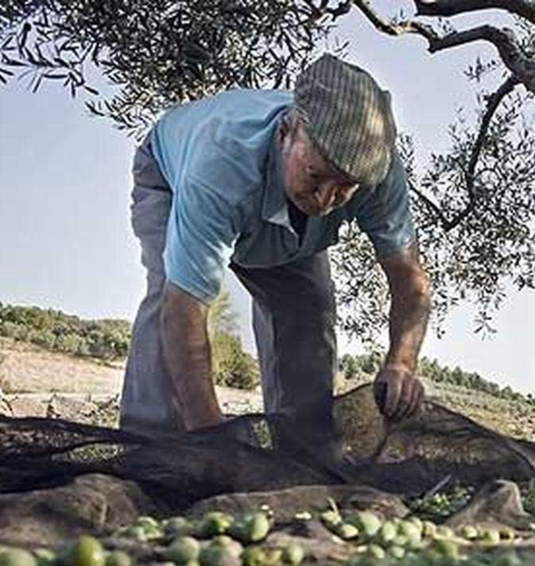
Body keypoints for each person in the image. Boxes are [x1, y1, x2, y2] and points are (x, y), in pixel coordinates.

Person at [120, 54, 430, 465]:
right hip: (171, 179)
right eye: (316, 175)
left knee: (310, 308)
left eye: (345, 188)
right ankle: (153, 454)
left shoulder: (377, 174)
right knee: (167, 293)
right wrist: (216, 441)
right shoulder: (221, 165)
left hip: (283, 226)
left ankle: (304, 459)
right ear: (286, 132)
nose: (325, 200)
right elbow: (185, 310)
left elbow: (409, 280)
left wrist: (403, 361)